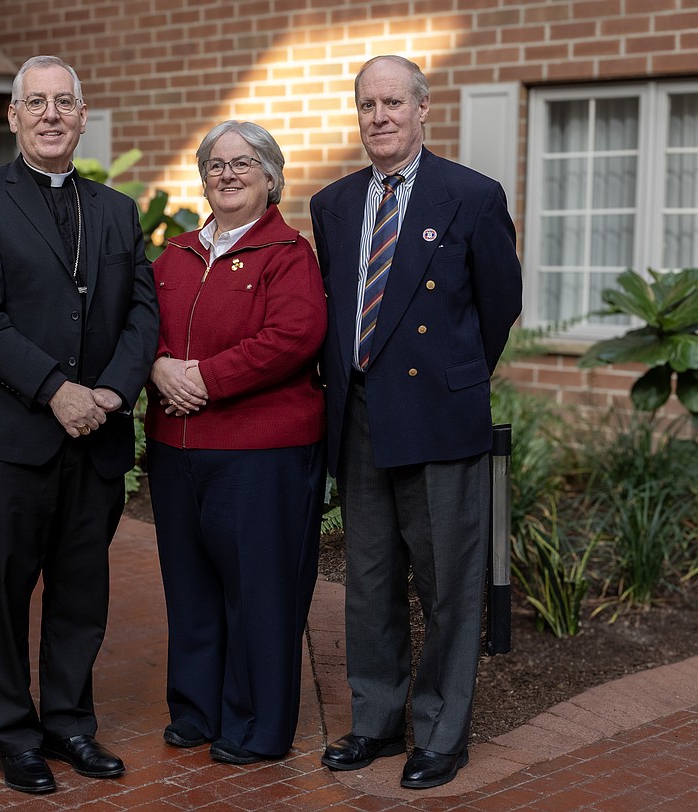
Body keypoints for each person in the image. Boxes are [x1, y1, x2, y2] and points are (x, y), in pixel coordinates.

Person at [0, 55, 158, 795]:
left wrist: (109, 393)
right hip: (8, 438)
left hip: (95, 434)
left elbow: (142, 315)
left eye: (62, 102)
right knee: (3, 597)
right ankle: (14, 735)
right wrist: (54, 389)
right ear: (13, 116)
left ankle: (69, 724)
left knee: (81, 592)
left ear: (82, 115)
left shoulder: (118, 211)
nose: (49, 114)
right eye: (34, 102)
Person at [309, 55, 522, 789]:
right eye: (367, 104)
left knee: (447, 583)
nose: (379, 116)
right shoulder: (333, 204)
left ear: (423, 109)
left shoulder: (471, 194)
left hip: (438, 413)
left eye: (393, 102)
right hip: (361, 415)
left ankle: (440, 733)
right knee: (368, 580)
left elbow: (498, 306)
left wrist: (453, 377)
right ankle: (375, 722)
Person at [144, 121, 328, 765]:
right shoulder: (176, 255)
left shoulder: (289, 254)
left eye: (243, 163)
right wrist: (160, 365)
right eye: (216, 164)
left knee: (259, 591)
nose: (227, 174)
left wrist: (206, 379)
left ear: (271, 178)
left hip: (260, 452)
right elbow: (141, 324)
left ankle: (257, 726)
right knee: (190, 585)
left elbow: (295, 336)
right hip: (176, 449)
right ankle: (197, 710)